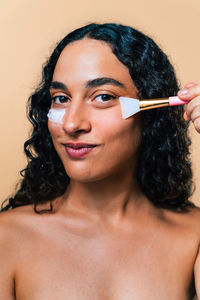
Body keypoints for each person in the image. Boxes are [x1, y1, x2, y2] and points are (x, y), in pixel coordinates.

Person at [0, 23, 200, 300]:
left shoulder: (194, 236)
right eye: (61, 98)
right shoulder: (5, 239)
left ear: (151, 112)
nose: (71, 123)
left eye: (103, 97)